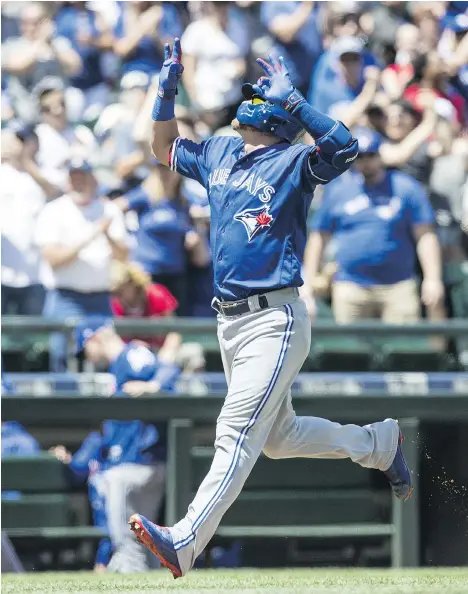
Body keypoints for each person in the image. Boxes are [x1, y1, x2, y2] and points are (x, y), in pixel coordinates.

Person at [128, 39, 413, 579]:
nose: (252, 98)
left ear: (280, 116)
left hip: (273, 317)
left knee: (234, 433)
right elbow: (162, 148)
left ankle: (185, 540)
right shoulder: (218, 149)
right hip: (229, 322)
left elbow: (346, 149)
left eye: (261, 96)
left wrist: (299, 102)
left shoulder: (293, 160)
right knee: (278, 440)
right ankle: (377, 443)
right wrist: (165, 91)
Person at [302, 127, 444, 324]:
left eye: (371, 155)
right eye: (360, 156)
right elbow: (318, 238)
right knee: (350, 350)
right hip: (350, 285)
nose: (366, 161)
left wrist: (432, 278)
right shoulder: (339, 190)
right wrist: (309, 283)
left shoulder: (406, 187)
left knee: (401, 350)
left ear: (380, 155)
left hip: (398, 286)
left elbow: (425, 235)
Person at [35, 158, 129, 371]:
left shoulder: (108, 210)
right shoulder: (54, 210)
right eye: (73, 178)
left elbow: (123, 256)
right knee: (61, 357)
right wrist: (91, 235)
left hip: (100, 298)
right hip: (65, 297)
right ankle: (59, 404)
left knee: (105, 358)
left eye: (82, 177)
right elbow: (54, 260)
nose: (78, 182)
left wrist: (107, 236)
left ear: (92, 179)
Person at [114, 161, 210, 315]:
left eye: (169, 169)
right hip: (147, 272)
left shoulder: (185, 201)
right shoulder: (145, 195)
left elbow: (199, 217)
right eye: (160, 169)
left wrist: (194, 231)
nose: (165, 174)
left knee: (175, 324)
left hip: (175, 273)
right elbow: (114, 208)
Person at [1, 2, 82, 123]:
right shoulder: (11, 45)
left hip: (60, 112)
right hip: (28, 115)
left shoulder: (57, 43)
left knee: (76, 97)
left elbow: (75, 66)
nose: (30, 27)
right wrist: (40, 41)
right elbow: (18, 66)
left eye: (36, 22)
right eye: (26, 22)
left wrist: (52, 45)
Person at [1, 129, 49, 315]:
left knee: (32, 338)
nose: (20, 146)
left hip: (35, 271)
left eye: (24, 141)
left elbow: (54, 191)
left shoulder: (42, 172)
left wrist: (26, 162)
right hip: (3, 268)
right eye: (17, 141)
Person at [181, 2, 250, 130]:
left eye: (224, 3)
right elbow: (188, 71)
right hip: (206, 106)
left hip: (233, 102)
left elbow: (243, 61)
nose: (221, 7)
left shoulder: (239, 27)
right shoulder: (195, 31)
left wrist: (239, 68)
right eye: (217, 4)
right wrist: (197, 105)